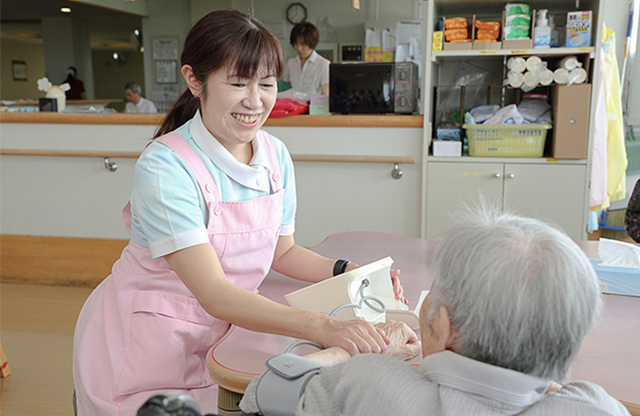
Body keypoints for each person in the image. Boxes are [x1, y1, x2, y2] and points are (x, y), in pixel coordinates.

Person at [72, 10, 405, 416]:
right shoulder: (165, 166)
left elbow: (282, 252)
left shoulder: (275, 155)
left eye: (266, 84)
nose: (255, 100)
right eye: (237, 83)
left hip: (230, 334)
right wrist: (325, 327)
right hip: (151, 344)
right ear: (195, 80)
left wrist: (351, 271)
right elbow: (213, 292)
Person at [240, 206, 632, 416]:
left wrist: (348, 352)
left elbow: (264, 392)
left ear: (445, 327)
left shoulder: (372, 383)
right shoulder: (595, 407)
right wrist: (535, 365)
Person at [281, 22, 330, 96]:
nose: (299, 48)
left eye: (303, 44)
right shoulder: (291, 63)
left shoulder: (324, 64)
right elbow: (285, 88)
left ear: (312, 42)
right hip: (293, 106)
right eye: (296, 44)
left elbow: (325, 94)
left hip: (314, 106)